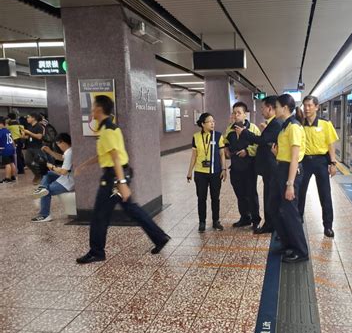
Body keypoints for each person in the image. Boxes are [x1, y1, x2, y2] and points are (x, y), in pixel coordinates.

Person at [75, 95, 169, 264]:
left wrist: (122, 184)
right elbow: (104, 154)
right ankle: (159, 237)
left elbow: (115, 157)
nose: (91, 110)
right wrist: (84, 165)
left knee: (99, 215)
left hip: (113, 178)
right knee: (131, 209)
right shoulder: (109, 128)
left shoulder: (108, 131)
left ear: (98, 109)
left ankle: (96, 251)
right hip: (118, 175)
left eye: (93, 107)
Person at [235, 96, 282, 234]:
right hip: (267, 167)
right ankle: (269, 223)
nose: (261, 110)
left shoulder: (276, 123)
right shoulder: (271, 124)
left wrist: (244, 132)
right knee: (268, 195)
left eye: (262, 108)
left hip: (271, 167)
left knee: (269, 197)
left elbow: (262, 140)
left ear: (270, 108)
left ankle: (270, 225)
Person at [272, 94, 309, 263]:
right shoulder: (285, 126)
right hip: (282, 167)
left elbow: (295, 157)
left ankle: (301, 251)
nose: (275, 110)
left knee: (290, 212)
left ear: (285, 108)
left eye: (277, 107)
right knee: (278, 209)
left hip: (290, 171)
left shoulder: (293, 127)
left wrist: (290, 185)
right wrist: (276, 153)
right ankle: (289, 244)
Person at [298, 96, 339, 238]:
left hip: (321, 161)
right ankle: (298, 221)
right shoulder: (300, 124)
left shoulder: (325, 124)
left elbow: (330, 144)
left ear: (316, 107)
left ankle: (328, 226)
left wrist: (333, 163)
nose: (307, 108)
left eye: (309, 105)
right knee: (300, 193)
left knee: (325, 194)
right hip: (304, 162)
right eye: (305, 106)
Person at [187, 113, 227, 232]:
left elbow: (222, 154)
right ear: (203, 124)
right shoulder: (196, 137)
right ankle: (202, 222)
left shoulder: (218, 136)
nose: (212, 123)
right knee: (201, 198)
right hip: (200, 173)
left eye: (213, 121)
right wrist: (189, 172)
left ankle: (216, 221)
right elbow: (194, 155)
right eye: (209, 121)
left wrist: (224, 169)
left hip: (215, 172)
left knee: (215, 198)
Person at [224, 102, 261, 229]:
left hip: (249, 167)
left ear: (245, 114)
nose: (236, 115)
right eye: (234, 113)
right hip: (235, 167)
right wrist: (227, 151)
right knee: (240, 194)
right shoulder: (230, 128)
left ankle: (255, 219)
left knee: (251, 194)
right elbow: (225, 142)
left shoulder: (253, 128)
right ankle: (245, 218)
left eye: (238, 113)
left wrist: (247, 151)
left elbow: (258, 146)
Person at [30, 133, 75, 222]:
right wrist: (49, 151)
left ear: (62, 142)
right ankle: (42, 188)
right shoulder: (70, 151)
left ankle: (44, 215)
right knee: (48, 174)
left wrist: (50, 165)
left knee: (46, 191)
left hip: (68, 182)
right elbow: (62, 158)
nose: (58, 146)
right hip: (67, 178)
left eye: (58, 144)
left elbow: (63, 171)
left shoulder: (70, 153)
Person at [23, 113, 46, 184]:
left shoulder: (39, 126)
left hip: (37, 148)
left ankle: (40, 176)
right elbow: (29, 137)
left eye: (28, 117)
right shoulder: (30, 126)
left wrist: (29, 132)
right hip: (29, 147)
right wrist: (23, 135)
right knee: (27, 161)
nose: (27, 119)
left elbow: (39, 137)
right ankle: (37, 174)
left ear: (33, 118)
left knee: (39, 162)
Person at [0, 117, 17, 183]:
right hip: (11, 148)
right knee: (11, 163)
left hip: (5, 149)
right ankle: (13, 176)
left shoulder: (1, 131)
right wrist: (14, 147)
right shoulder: (7, 130)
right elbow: (12, 140)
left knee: (7, 164)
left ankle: (7, 178)